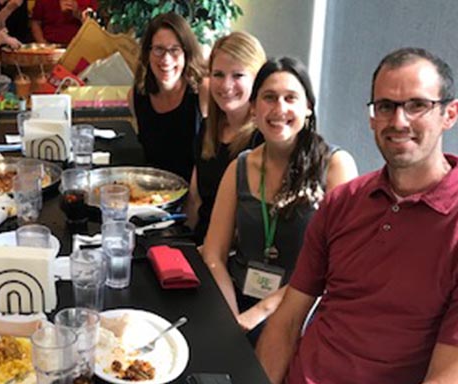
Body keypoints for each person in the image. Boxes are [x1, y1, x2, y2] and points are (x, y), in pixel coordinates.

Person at [256, 47, 458, 383]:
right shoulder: (343, 202)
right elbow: (288, 319)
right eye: (385, 106)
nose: (398, 121)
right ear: (372, 116)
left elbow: (447, 374)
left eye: (417, 105)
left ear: (449, 114)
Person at [199, 57, 357, 343]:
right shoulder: (240, 166)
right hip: (237, 299)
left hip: (303, 311)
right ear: (254, 108)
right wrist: (231, 316)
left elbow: (337, 264)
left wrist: (260, 311)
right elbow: (213, 254)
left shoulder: (335, 166)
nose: (279, 109)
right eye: (269, 98)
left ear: (308, 108)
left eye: (290, 98)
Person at [184, 31, 266, 244]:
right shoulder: (207, 129)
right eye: (218, 75)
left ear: (258, 81)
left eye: (237, 75)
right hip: (200, 245)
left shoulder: (263, 140)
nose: (226, 85)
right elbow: (195, 201)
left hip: (235, 256)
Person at [130, 12, 206, 182]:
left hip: (195, 196)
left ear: (186, 53)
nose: (166, 59)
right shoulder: (137, 96)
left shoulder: (202, 93)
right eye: (159, 49)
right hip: (153, 196)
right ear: (147, 53)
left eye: (174, 50)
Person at [31, 0, 96, 45]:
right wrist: (43, 44)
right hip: (50, 45)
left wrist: (77, 13)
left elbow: (94, 27)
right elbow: (36, 22)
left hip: (79, 46)